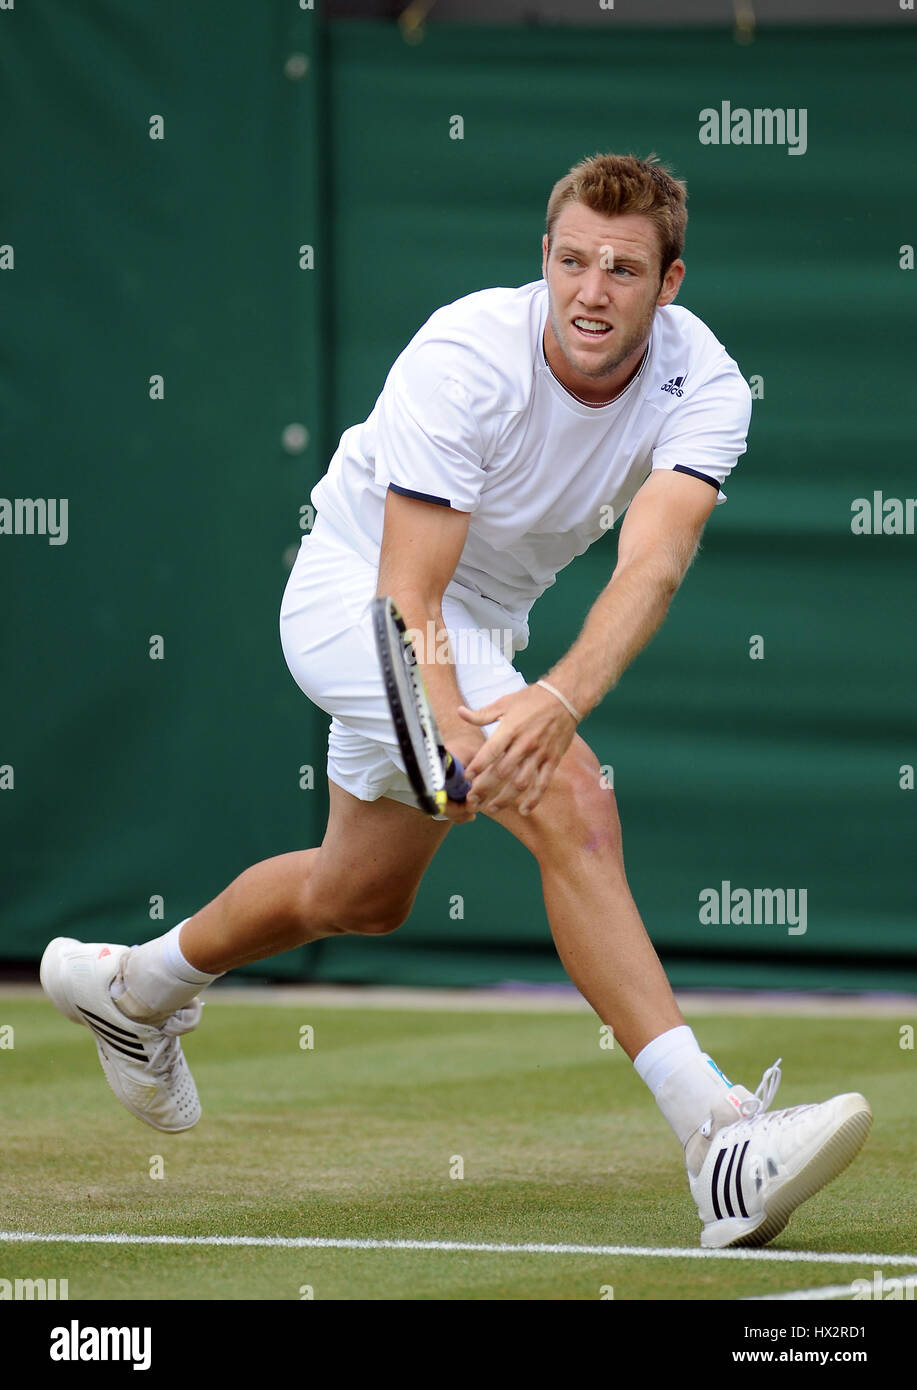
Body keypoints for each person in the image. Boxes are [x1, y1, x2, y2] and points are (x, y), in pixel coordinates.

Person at [41, 153, 871, 1250]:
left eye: (621, 270)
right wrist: (483, 737)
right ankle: (716, 1133)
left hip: (485, 624)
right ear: (544, 257)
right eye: (570, 260)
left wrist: (558, 696)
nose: (589, 290)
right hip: (360, 598)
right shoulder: (466, 353)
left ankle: (135, 985)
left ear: (667, 285)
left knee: (360, 893)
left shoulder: (702, 381)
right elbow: (408, 593)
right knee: (568, 801)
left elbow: (652, 563)